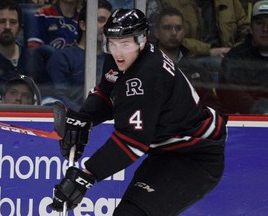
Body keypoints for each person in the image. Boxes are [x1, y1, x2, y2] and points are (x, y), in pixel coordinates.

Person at [49, 9, 227, 215]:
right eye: (112, 43)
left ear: (142, 40)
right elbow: (106, 94)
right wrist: (85, 118)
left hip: (195, 160)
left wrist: (86, 176)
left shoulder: (146, 76)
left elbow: (132, 141)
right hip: (167, 153)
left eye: (125, 44)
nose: (118, 52)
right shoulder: (123, 59)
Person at [47, 0, 112, 110]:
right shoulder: (62, 58)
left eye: (109, 22)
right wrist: (84, 116)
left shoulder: (114, 60)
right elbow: (58, 98)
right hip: (73, 122)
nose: (105, 26)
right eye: (100, 20)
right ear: (83, 25)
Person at [0, 0, 45, 104]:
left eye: (13, 22)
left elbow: (48, 93)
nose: (7, 27)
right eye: (1, 21)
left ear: (19, 27)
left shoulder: (32, 57)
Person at [154, 7, 219, 109]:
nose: (174, 33)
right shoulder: (146, 66)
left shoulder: (196, 69)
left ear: (184, 32)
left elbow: (210, 105)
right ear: (157, 32)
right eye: (167, 28)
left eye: (178, 28)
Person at [218, 0, 268, 114]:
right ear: (250, 27)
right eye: (259, 23)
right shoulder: (235, 58)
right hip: (245, 122)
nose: (265, 28)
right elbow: (230, 93)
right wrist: (260, 109)